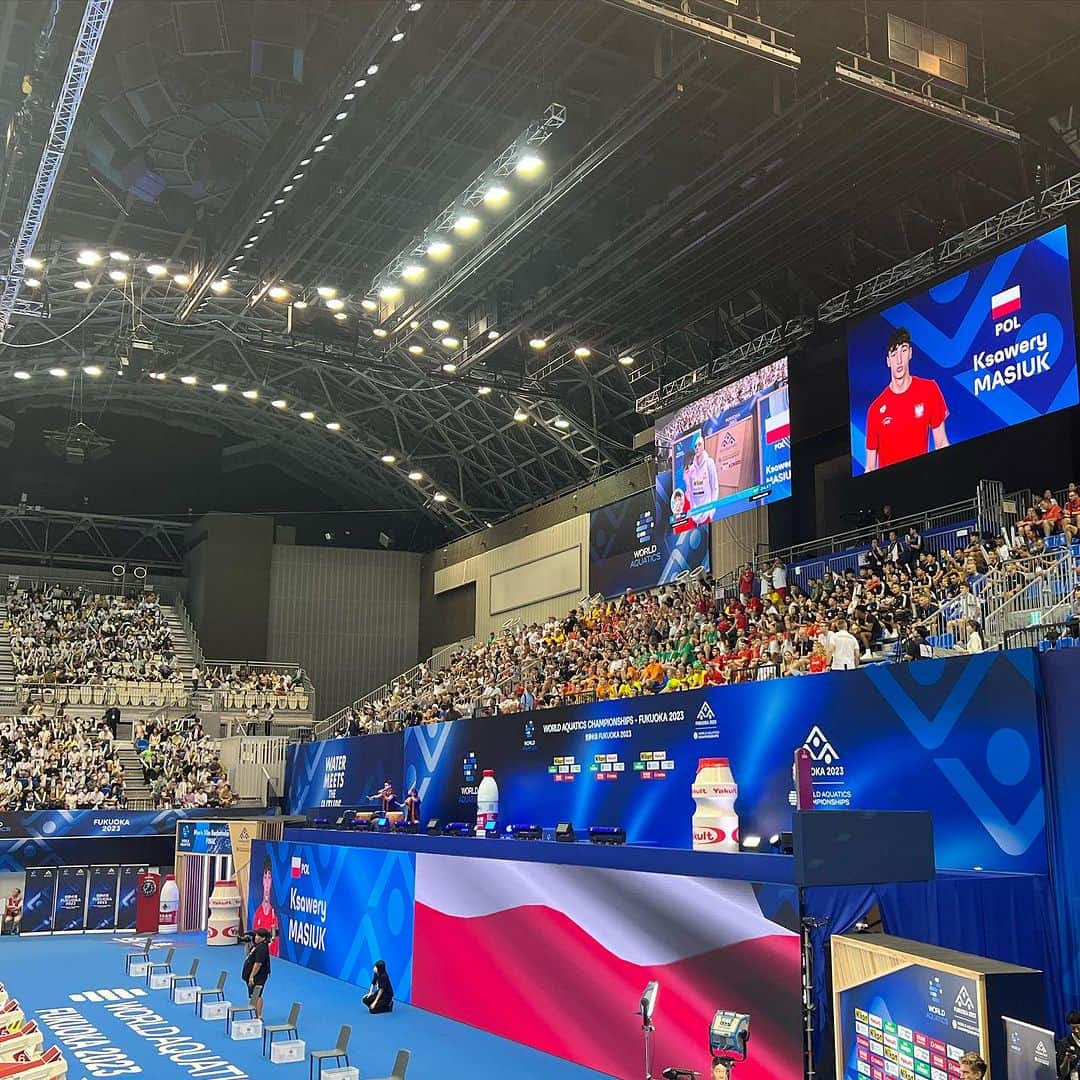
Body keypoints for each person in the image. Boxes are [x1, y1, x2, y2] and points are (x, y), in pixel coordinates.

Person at [864, 327, 949, 471]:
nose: (899, 360)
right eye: (894, 353)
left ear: (910, 353)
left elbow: (941, 443)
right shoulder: (875, 410)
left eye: (903, 350)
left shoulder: (929, 389)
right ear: (888, 361)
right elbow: (870, 467)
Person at [251, 855, 281, 956]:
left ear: (272, 881)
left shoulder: (275, 917)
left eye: (269, 877)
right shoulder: (257, 914)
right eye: (265, 877)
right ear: (262, 881)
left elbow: (276, 949)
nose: (267, 882)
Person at [684, 434, 718, 522]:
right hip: (695, 516)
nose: (697, 447)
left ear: (703, 446)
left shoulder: (709, 463)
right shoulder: (691, 469)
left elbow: (714, 487)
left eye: (699, 445)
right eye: (695, 446)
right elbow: (691, 492)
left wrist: (712, 511)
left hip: (707, 513)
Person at [242, 926, 272, 1020]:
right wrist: (247, 944)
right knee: (253, 995)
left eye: (258, 935)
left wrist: (251, 976)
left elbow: (258, 964)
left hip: (259, 975)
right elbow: (248, 955)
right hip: (253, 975)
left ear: (263, 938)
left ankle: (259, 1016)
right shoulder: (256, 946)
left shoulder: (262, 948)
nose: (255, 937)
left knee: (257, 995)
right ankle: (255, 1014)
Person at [1057, 1010, 1080, 1078]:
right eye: (1073, 1028)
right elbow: (1062, 1073)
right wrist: (1067, 1058)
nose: (1076, 1031)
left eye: (1078, 1028)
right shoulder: (1063, 1044)